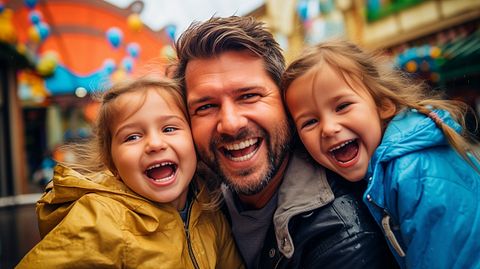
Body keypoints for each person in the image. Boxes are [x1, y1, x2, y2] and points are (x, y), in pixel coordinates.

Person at [173, 16, 397, 269]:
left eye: (249, 96)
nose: (231, 123)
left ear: (286, 104)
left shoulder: (343, 238)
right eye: (206, 106)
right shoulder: (188, 197)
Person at [282, 39, 480, 269]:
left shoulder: (413, 173)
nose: (328, 128)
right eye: (310, 122)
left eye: (342, 106)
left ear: (383, 106)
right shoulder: (386, 170)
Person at [16, 76, 244, 268]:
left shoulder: (209, 209)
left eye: (169, 128)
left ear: (194, 142)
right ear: (113, 164)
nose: (155, 144)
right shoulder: (99, 220)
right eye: (132, 137)